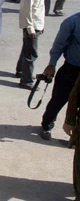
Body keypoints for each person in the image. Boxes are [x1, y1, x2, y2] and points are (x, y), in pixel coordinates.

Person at [40, 12, 80, 140]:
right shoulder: (72, 22)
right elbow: (59, 45)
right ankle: (47, 125)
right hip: (71, 70)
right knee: (58, 100)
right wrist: (52, 64)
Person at [16, 0, 55, 90]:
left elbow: (40, 9)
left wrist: (41, 24)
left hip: (37, 24)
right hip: (31, 26)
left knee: (26, 49)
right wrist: (30, 28)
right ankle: (26, 81)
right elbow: (26, 10)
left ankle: (21, 71)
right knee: (31, 54)